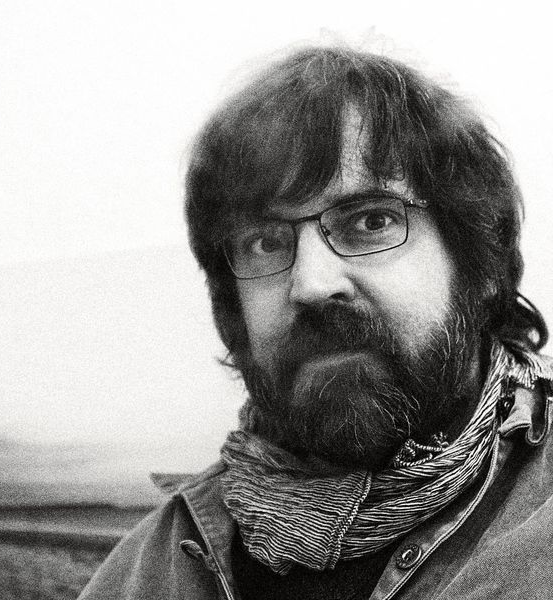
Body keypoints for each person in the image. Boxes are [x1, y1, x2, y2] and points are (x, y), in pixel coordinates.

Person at [78, 44, 553, 600]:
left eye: (370, 221)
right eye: (264, 242)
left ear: (481, 264)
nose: (310, 284)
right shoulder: (142, 575)